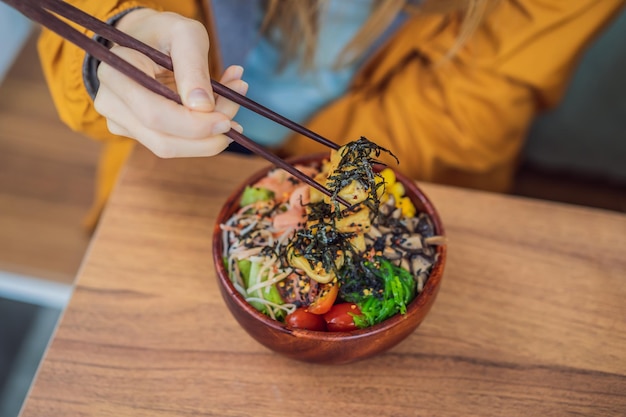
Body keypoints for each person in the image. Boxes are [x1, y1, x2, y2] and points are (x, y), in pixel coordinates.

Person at [37, 0, 625, 229]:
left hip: (378, 182)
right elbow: (89, 30)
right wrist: (116, 35)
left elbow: (456, 132)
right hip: (165, 173)